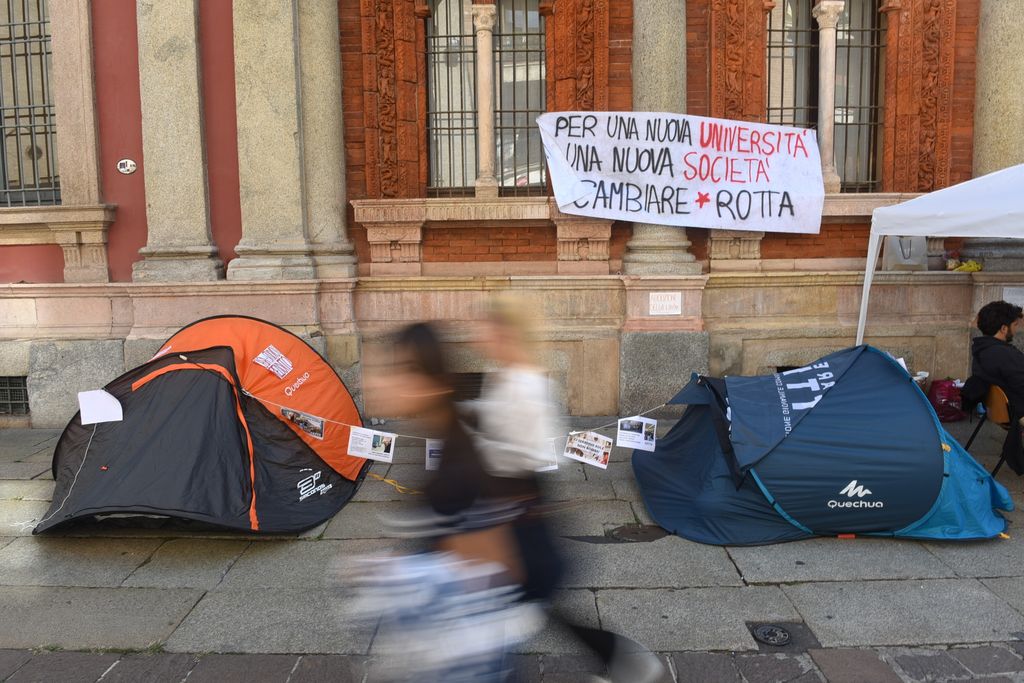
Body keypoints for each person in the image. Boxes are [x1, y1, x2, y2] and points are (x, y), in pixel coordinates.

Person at [470, 293, 666, 683]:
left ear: (508, 333)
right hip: (504, 503)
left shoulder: (526, 382)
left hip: (519, 503)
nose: (482, 335)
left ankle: (624, 659)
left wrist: (489, 454)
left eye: (490, 328)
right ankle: (623, 659)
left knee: (527, 599)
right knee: (530, 600)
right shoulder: (505, 375)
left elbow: (544, 448)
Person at [970, 300, 1024, 474]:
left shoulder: (981, 349)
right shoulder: (1003, 354)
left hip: (1001, 408)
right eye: (1015, 325)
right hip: (1016, 412)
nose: (1016, 329)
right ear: (1003, 328)